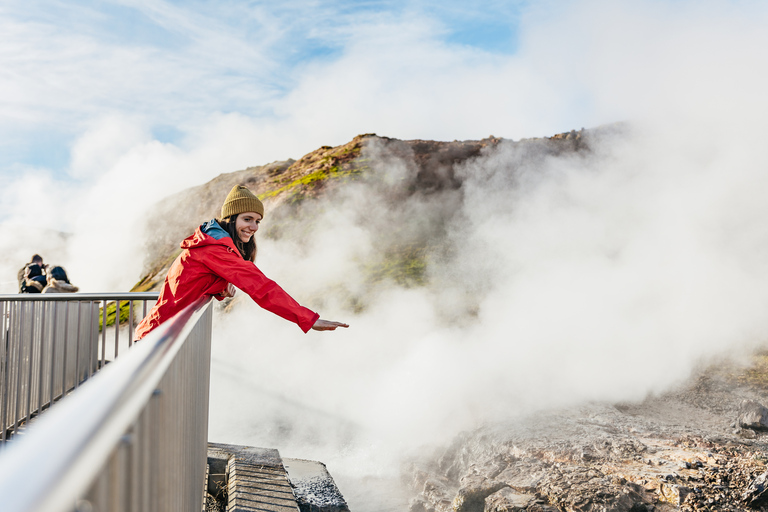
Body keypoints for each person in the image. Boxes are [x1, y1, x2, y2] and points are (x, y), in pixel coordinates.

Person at [134, 185, 348, 340]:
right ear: (231, 218)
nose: (254, 227)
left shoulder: (213, 244)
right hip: (156, 340)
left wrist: (220, 287)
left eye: (257, 221)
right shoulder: (215, 250)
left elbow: (191, 284)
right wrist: (309, 319)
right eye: (247, 219)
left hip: (163, 334)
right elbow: (261, 287)